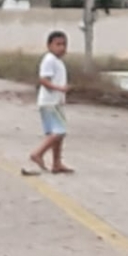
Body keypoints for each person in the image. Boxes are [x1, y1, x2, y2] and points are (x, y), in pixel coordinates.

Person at [29, 30, 75, 174]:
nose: (61, 48)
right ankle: (38, 153)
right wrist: (60, 88)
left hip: (56, 102)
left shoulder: (57, 61)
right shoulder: (49, 60)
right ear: (49, 45)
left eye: (64, 44)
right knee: (59, 131)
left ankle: (57, 163)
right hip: (50, 102)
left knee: (57, 134)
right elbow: (43, 80)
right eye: (58, 44)